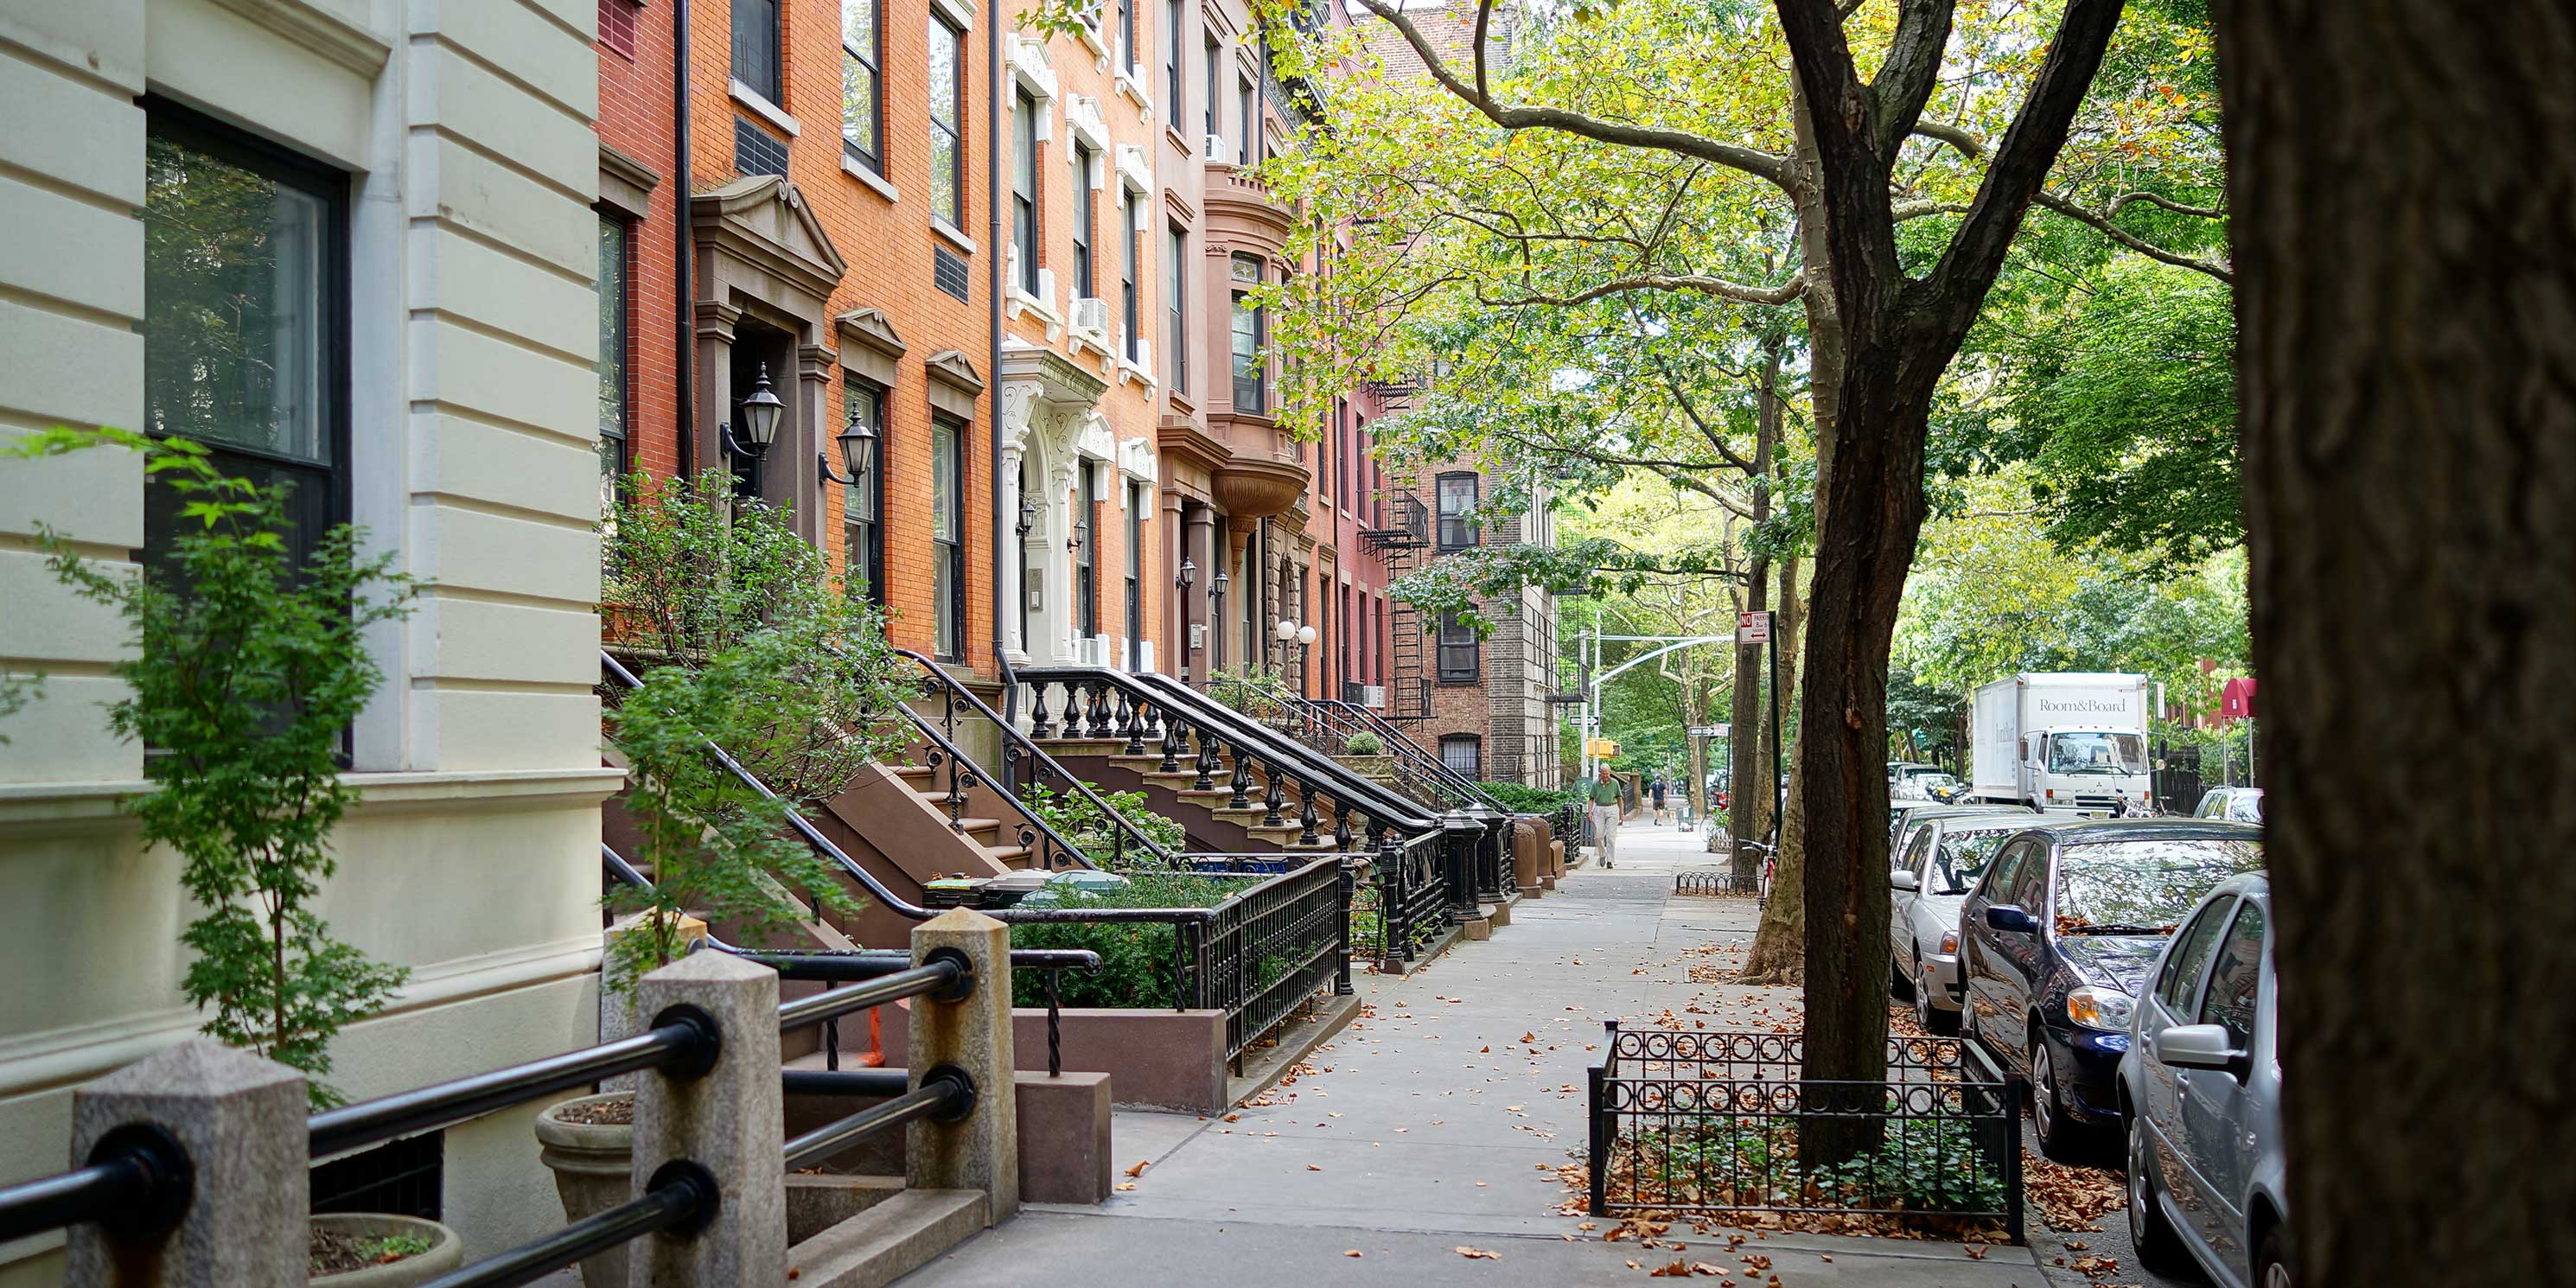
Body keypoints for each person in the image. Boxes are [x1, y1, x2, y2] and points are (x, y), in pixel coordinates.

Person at [1588, 765, 1623, 869]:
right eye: (1604, 773)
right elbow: (1591, 799)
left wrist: (1621, 813)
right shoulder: (1595, 784)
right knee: (1598, 836)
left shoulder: (1614, 783)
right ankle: (1602, 855)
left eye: (1607, 773)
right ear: (1600, 773)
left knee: (1611, 837)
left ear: (1610, 773)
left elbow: (1620, 798)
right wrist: (1590, 812)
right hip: (1599, 809)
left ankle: (1610, 861)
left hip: (1612, 808)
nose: (1606, 776)